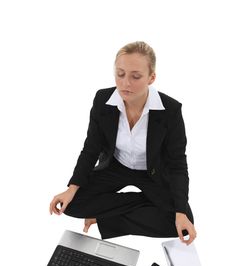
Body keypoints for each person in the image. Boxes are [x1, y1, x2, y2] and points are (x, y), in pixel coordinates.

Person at [49, 41, 197, 245]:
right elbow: (91, 148)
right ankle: (147, 201)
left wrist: (180, 211)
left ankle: (105, 219)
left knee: (180, 223)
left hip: (151, 173)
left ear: (151, 77)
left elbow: (178, 164)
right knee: (71, 206)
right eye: (120, 74)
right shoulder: (103, 100)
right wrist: (72, 188)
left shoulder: (170, 110)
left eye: (135, 76)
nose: (126, 83)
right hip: (116, 167)